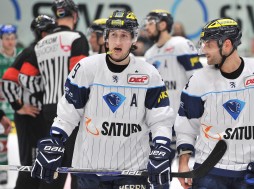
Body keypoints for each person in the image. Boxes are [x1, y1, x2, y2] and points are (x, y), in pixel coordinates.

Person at [30, 10, 175, 189]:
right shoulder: (86, 68)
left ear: (134, 39)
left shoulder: (149, 73)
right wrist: (55, 141)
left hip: (132, 170)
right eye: (113, 35)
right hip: (90, 170)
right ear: (106, 38)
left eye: (124, 35)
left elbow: (160, 119)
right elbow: (68, 114)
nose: (118, 41)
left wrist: (161, 147)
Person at [175, 17, 254, 189]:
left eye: (209, 44)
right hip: (209, 172)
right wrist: (183, 162)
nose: (203, 50)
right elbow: (187, 126)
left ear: (226, 45)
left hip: (253, 172)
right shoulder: (198, 80)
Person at [20, 0, 89, 188]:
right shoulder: (77, 38)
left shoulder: (41, 43)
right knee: (76, 166)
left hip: (49, 110)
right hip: (72, 109)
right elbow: (80, 75)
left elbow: (25, 79)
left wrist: (46, 89)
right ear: (75, 16)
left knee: (52, 163)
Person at [2, 15, 57, 189]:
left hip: (41, 117)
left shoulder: (46, 51)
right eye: (50, 31)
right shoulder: (32, 52)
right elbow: (8, 80)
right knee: (31, 166)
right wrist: (19, 107)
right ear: (42, 33)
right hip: (30, 118)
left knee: (42, 164)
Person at [144, 9, 203, 150]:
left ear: (162, 25)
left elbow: (198, 78)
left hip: (183, 120)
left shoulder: (180, 44)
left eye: (150, 23)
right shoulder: (149, 54)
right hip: (161, 122)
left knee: (187, 168)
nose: (146, 27)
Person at [0, 24, 23, 185]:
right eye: (6, 38)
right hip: (1, 106)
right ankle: (2, 169)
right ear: (1, 40)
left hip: (18, 103)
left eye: (12, 38)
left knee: (24, 140)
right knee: (1, 139)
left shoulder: (21, 56)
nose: (10, 41)